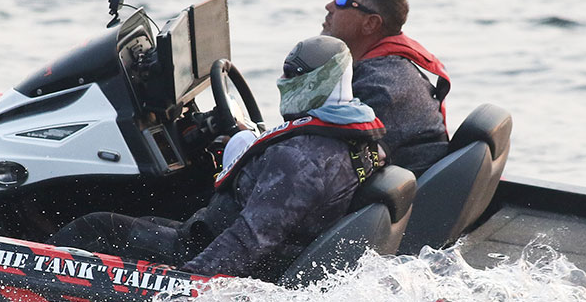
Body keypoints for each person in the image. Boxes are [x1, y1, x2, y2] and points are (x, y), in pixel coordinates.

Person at [47, 36, 386, 281]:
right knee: (143, 218)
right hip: (214, 233)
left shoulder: (301, 158)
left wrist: (182, 283)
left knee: (95, 228)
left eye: (292, 74)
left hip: (208, 251)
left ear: (318, 81)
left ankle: (35, 297)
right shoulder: (351, 135)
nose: (282, 81)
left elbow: (250, 240)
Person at [322, 0, 451, 177]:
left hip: (410, 195)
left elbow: (326, 169)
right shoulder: (392, 69)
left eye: (341, 1)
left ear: (370, 23)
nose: (329, 7)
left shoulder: (379, 87)